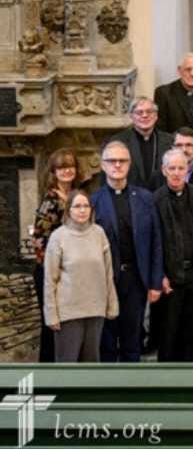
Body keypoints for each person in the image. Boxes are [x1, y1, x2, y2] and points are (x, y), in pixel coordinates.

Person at [91, 141, 164, 362]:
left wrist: (155, 282)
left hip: (136, 278)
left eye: (122, 161)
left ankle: (131, 389)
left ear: (129, 164)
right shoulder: (93, 201)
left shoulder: (145, 198)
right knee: (107, 339)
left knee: (133, 338)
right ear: (103, 166)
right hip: (106, 280)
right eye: (111, 161)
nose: (117, 165)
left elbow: (156, 242)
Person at [43, 191, 119, 363]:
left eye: (86, 206)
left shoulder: (99, 233)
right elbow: (50, 280)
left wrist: (112, 304)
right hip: (68, 312)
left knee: (91, 363)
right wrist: (51, 314)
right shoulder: (58, 237)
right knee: (67, 363)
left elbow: (108, 272)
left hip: (95, 310)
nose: (82, 210)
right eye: (77, 206)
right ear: (68, 210)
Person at [151, 149, 193, 362]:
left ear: (188, 170)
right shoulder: (154, 200)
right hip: (170, 277)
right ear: (163, 170)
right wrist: (160, 275)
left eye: (181, 168)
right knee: (169, 335)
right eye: (172, 168)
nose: (176, 173)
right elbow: (153, 243)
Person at [31, 149, 83, 362]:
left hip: (73, 272)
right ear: (53, 171)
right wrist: (52, 271)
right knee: (51, 324)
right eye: (61, 167)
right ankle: (48, 373)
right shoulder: (51, 200)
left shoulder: (78, 196)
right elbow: (38, 239)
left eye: (70, 166)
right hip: (50, 273)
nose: (66, 171)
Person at [113, 97, 173, 190]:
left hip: (162, 197)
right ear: (131, 116)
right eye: (139, 112)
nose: (145, 115)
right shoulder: (118, 142)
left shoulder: (170, 141)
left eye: (149, 112)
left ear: (156, 116)